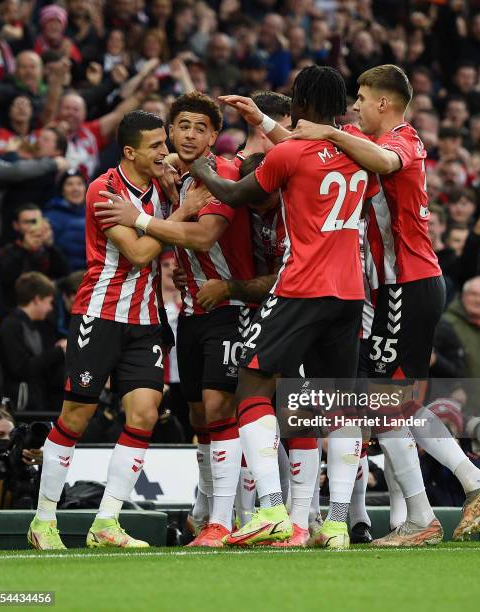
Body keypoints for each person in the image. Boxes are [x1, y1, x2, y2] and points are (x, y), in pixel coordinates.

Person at [286, 64, 480, 546]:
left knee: (383, 406)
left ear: (384, 103)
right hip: (404, 287)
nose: (355, 106)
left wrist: (327, 130)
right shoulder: (372, 141)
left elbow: (384, 164)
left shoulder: (402, 141)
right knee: (392, 406)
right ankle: (457, 491)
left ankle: (442, 503)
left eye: (362, 97)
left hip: (407, 284)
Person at [189, 65, 378, 548]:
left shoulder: (290, 154)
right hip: (350, 292)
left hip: (301, 286)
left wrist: (200, 168)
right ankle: (335, 522)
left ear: (305, 106)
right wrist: (263, 122)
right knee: (337, 407)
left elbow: (234, 193)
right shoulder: (359, 150)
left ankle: (271, 509)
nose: (290, 106)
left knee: (252, 386)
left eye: (295, 98)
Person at [94, 92, 256, 547]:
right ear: (170, 132)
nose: (189, 135)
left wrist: (140, 219)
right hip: (193, 311)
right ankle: (206, 513)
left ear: (214, 136)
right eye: (182, 126)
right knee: (200, 415)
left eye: (200, 127)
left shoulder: (219, 173)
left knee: (222, 409)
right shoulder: (181, 180)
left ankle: (223, 522)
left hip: (231, 307)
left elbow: (204, 236)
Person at [27, 110, 173, 551]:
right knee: (76, 416)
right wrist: (179, 221)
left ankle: (106, 522)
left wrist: (167, 218)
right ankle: (44, 520)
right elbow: (138, 253)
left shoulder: (163, 189)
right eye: (156, 147)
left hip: (146, 318)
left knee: (145, 413)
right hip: (100, 312)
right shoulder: (103, 189)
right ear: (130, 152)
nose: (164, 152)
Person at [0, 272, 66, 411]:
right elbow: (21, 368)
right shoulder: (11, 325)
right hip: (21, 406)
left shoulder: (37, 325)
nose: (50, 308)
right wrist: (58, 352)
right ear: (36, 300)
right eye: (48, 302)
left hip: (36, 402)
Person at [0, 203, 70, 315]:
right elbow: (8, 281)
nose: (33, 226)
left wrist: (50, 245)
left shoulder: (49, 250)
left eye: (37, 221)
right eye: (28, 222)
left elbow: (66, 275)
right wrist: (25, 249)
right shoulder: (7, 251)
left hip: (48, 313)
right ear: (16, 225)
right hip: (15, 313)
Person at [0, 407, 43, 510]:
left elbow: (57, 504)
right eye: (0, 435)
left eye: (12, 435)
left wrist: (47, 467)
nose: (8, 440)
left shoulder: (25, 471)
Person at [44, 170, 88, 271]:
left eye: (79, 184)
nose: (75, 188)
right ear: (62, 190)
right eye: (69, 184)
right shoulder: (51, 216)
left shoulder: (95, 213)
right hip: (66, 275)